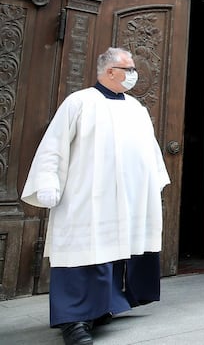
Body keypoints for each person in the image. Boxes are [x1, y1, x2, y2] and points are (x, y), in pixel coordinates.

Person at [21, 47, 171, 345]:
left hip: (128, 198)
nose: (133, 74)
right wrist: (48, 180)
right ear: (109, 71)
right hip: (87, 195)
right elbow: (55, 144)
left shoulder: (136, 107)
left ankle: (104, 307)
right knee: (83, 253)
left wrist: (155, 178)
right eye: (128, 69)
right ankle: (73, 320)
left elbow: (150, 149)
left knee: (115, 252)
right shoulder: (79, 102)